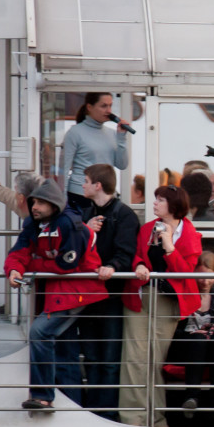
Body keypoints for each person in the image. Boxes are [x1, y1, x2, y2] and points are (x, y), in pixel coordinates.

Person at [5, 181, 107, 411]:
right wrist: (14, 268)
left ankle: (43, 396)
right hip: (58, 291)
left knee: (40, 332)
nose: (35, 207)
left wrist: (31, 264)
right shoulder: (33, 223)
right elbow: (19, 251)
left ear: (54, 205)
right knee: (64, 350)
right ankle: (71, 407)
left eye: (41, 202)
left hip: (78, 290)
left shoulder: (70, 224)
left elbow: (66, 265)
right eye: (33, 202)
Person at [119, 185, 202, 427]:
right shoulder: (146, 228)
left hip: (168, 301)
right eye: (156, 199)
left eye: (161, 200)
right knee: (134, 358)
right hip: (142, 296)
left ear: (174, 205)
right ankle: (133, 419)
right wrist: (139, 265)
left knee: (155, 361)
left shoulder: (190, 234)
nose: (155, 203)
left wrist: (169, 245)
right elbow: (135, 255)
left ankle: (156, 418)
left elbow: (185, 272)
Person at [78, 164, 140, 412]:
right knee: (92, 356)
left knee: (110, 358)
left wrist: (112, 266)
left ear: (98, 185)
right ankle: (94, 410)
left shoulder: (124, 215)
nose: (82, 185)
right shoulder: (85, 214)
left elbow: (126, 253)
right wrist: (86, 229)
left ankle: (107, 411)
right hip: (89, 294)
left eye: (85, 180)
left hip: (111, 295)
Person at [166, 251, 214, 417]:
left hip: (213, 347)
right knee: (198, 339)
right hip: (185, 346)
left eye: (210, 276)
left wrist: (212, 331)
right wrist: (193, 334)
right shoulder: (183, 291)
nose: (205, 281)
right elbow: (174, 331)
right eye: (200, 276)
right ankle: (192, 396)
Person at [61, 93, 130, 210]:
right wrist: (62, 199)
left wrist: (121, 138)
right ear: (89, 107)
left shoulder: (112, 133)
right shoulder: (75, 132)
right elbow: (64, 168)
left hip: (105, 195)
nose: (108, 111)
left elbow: (122, 165)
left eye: (110, 106)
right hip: (80, 194)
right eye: (103, 106)